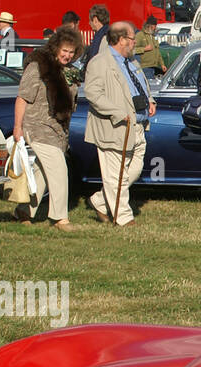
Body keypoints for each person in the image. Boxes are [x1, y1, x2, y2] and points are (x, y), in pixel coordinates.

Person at [13, 26, 83, 231]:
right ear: (55, 48)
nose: (68, 55)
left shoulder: (69, 72)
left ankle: (23, 211)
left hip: (58, 130)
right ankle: (60, 218)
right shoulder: (38, 67)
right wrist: (18, 127)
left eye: (72, 52)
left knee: (42, 175)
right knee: (59, 169)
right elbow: (22, 97)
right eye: (65, 50)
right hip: (37, 126)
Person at [84, 21, 153, 226]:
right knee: (117, 176)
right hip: (114, 127)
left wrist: (150, 100)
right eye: (132, 38)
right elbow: (93, 93)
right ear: (122, 39)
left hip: (138, 126)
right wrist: (118, 112)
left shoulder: (132, 61)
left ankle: (99, 200)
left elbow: (142, 85)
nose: (135, 42)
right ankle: (123, 218)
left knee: (133, 171)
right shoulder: (99, 62)